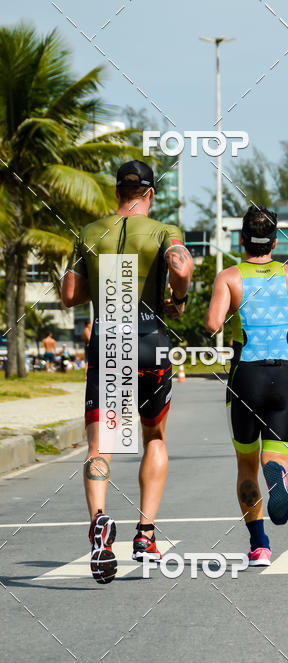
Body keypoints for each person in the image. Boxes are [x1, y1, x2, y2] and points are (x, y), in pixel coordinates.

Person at [61, 160, 194, 584]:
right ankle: (145, 534)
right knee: (153, 436)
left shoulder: (88, 232)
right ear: (149, 194)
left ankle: (99, 520)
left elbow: (69, 294)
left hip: (108, 337)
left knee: (101, 444)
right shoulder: (161, 232)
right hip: (149, 336)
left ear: (117, 192)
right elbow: (182, 266)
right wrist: (179, 297)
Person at [205, 205, 288, 567]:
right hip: (285, 376)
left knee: (245, 463)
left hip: (247, 376)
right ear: (275, 241)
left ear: (241, 240)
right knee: (275, 456)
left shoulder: (229, 277)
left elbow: (212, 324)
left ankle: (259, 545)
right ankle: (279, 481)